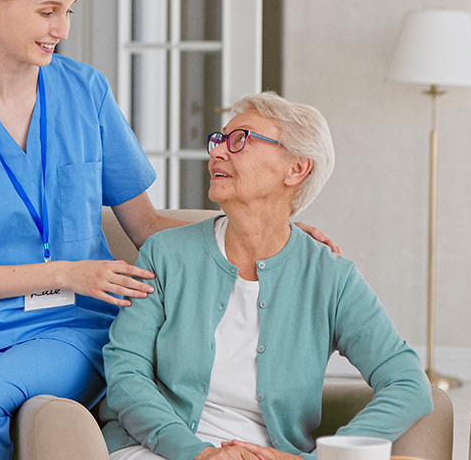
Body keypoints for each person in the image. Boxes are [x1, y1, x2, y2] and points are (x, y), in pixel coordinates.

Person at [0, 0, 337, 460]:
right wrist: (67, 271)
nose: (60, 29)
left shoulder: (85, 92)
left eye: (68, 12)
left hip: (71, 324)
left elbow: (147, 226)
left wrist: (274, 233)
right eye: (48, 11)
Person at [100, 92, 433, 460]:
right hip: (159, 451)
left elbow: (408, 384)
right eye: (219, 139)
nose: (217, 152)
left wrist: (319, 458)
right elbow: (125, 373)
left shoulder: (331, 277)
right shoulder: (165, 253)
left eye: (240, 140)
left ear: (296, 169)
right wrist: (198, 453)